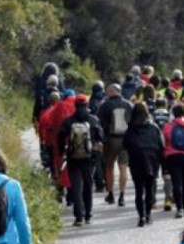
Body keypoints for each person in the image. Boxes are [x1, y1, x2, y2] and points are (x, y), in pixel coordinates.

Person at [57, 94, 104, 226]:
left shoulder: (68, 121)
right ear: (87, 105)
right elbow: (101, 137)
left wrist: (63, 153)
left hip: (73, 158)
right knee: (88, 186)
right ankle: (88, 214)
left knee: (76, 187)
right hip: (89, 158)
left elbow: (60, 137)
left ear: (75, 105)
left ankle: (79, 217)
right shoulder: (93, 120)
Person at [124, 102, 164, 226]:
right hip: (152, 160)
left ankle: (141, 216)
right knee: (150, 188)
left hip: (136, 160)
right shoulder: (154, 127)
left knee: (138, 190)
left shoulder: (131, 129)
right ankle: (148, 214)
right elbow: (161, 145)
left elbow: (125, 144)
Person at [97, 84, 133, 206]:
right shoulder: (128, 105)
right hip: (126, 139)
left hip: (111, 140)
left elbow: (99, 125)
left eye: (108, 91)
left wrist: (101, 140)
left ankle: (111, 193)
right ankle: (122, 195)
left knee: (109, 167)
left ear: (111, 92)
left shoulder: (105, 105)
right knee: (123, 168)